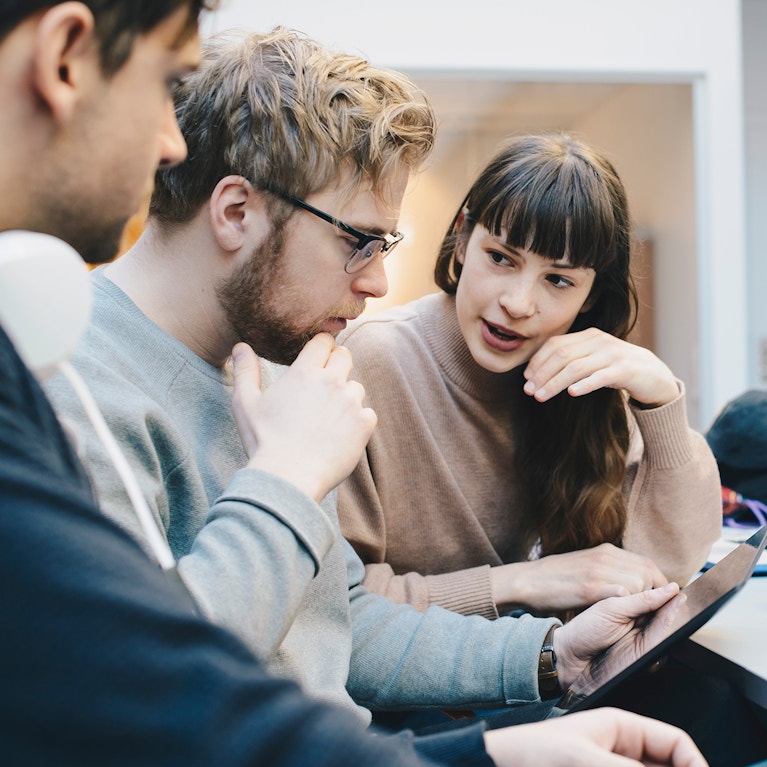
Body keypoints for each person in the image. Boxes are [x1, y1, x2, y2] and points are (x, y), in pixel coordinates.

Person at [34, 23, 718, 765]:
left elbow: (340, 626)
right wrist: (286, 478)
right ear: (235, 212)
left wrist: (552, 654)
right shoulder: (68, 393)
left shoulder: (277, 371)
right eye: (355, 240)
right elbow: (136, 695)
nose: (379, 283)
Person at [337, 133, 722, 621]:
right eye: (500, 258)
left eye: (558, 280)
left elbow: (670, 568)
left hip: (548, 682)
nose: (518, 304)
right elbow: (334, 608)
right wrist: (524, 583)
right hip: (418, 693)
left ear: (589, 296)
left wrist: (660, 401)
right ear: (461, 240)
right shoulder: (372, 361)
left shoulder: (584, 377)